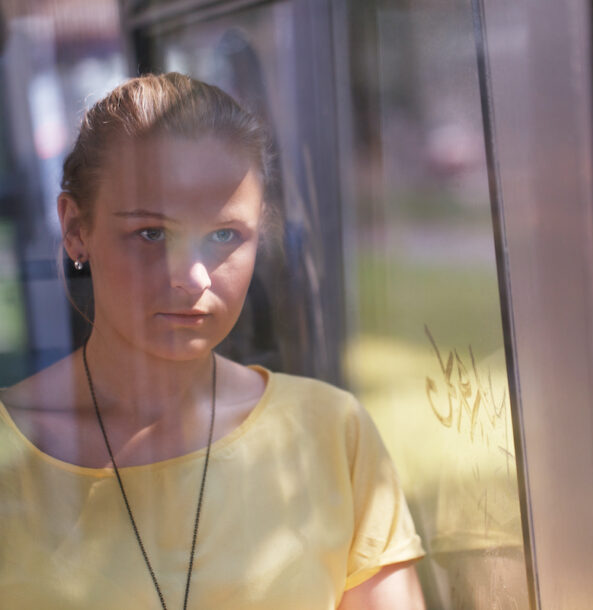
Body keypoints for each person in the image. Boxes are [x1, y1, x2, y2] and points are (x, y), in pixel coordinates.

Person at [0, 73, 425, 609]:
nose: (193, 278)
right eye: (152, 234)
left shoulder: (332, 434)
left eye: (224, 235)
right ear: (76, 228)